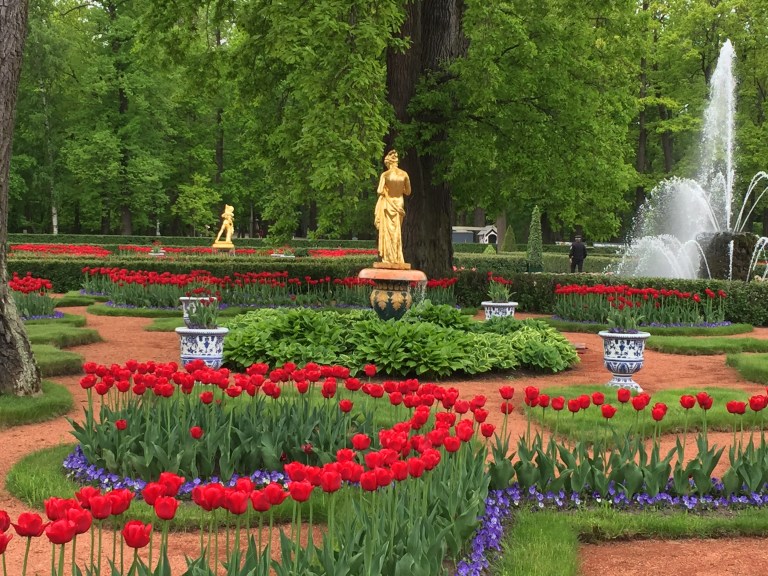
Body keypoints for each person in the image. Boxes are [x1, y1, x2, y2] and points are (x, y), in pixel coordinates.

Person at [374, 150, 412, 264]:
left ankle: (389, 257)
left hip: (388, 203)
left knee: (388, 231)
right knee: (397, 231)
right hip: (399, 203)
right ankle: (397, 257)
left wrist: (387, 190)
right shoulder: (404, 174)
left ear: (388, 163)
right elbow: (408, 192)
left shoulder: (385, 175)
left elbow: (379, 190)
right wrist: (400, 190)